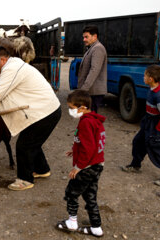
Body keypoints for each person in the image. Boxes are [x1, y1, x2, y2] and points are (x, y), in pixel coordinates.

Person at [0, 46, 61, 191]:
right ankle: (42, 169)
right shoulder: (13, 66)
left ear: (3, 60)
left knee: (24, 145)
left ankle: (25, 179)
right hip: (45, 109)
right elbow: (8, 95)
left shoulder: (11, 69)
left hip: (46, 112)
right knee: (32, 141)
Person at [56, 90, 105, 238]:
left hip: (87, 167)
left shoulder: (86, 122)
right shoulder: (94, 120)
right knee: (90, 196)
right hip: (97, 164)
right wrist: (74, 149)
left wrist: (78, 167)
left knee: (71, 193)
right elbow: (90, 143)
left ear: (82, 107)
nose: (70, 111)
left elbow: (88, 149)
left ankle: (72, 222)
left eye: (72, 108)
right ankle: (96, 228)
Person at [122, 65, 160, 186]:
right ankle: (135, 165)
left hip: (156, 124)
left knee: (155, 147)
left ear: (151, 78)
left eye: (145, 75)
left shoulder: (159, 95)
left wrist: (158, 132)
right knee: (138, 142)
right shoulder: (152, 89)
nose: (143, 77)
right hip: (148, 122)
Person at [77, 25, 107, 113]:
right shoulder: (92, 48)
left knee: (90, 118)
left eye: (86, 37)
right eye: (83, 37)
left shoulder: (98, 48)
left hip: (93, 92)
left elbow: (94, 70)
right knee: (88, 118)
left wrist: (84, 89)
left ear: (95, 36)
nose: (84, 40)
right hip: (90, 92)